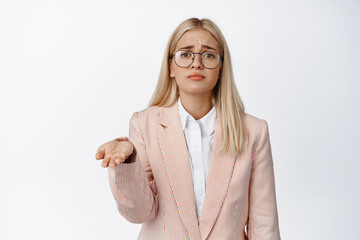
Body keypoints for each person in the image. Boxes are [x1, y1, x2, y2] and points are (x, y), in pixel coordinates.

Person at [95, 17, 281, 240]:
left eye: (209, 55)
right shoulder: (144, 124)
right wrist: (127, 162)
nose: (196, 63)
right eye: (185, 54)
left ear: (221, 69)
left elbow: (264, 224)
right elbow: (139, 212)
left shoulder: (253, 131)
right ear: (171, 67)